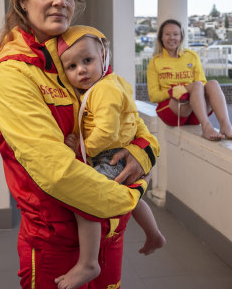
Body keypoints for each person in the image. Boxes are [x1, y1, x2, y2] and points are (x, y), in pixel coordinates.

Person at [0, 0, 160, 289]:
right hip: (57, 239)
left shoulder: (75, 55)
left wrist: (142, 152)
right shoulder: (13, 72)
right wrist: (129, 198)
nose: (60, 1)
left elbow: (130, 121)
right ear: (23, 0)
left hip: (107, 229)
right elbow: (56, 171)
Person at [55, 25, 166, 289]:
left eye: (87, 61)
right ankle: (154, 234)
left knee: (87, 199)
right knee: (132, 198)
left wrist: (81, 149)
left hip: (109, 155)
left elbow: (106, 132)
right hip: (112, 153)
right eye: (71, 67)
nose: (81, 70)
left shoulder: (104, 89)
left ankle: (89, 263)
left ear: (104, 57)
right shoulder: (104, 85)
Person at [147, 19, 232, 141]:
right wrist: (176, 91)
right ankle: (206, 127)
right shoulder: (155, 62)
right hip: (173, 111)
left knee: (213, 84)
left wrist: (189, 89)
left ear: (181, 37)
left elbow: (202, 82)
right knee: (196, 85)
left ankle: (226, 126)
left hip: (195, 110)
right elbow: (153, 96)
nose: (172, 38)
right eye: (167, 34)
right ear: (161, 37)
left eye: (175, 34)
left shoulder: (191, 56)